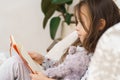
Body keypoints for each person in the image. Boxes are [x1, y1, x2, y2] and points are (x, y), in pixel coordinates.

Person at [0, 0, 120, 80]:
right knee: (16, 62)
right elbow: (63, 69)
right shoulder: (82, 49)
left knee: (14, 64)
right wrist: (43, 60)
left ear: (100, 25)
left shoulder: (102, 60)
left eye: (81, 23)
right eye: (76, 22)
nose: (76, 28)